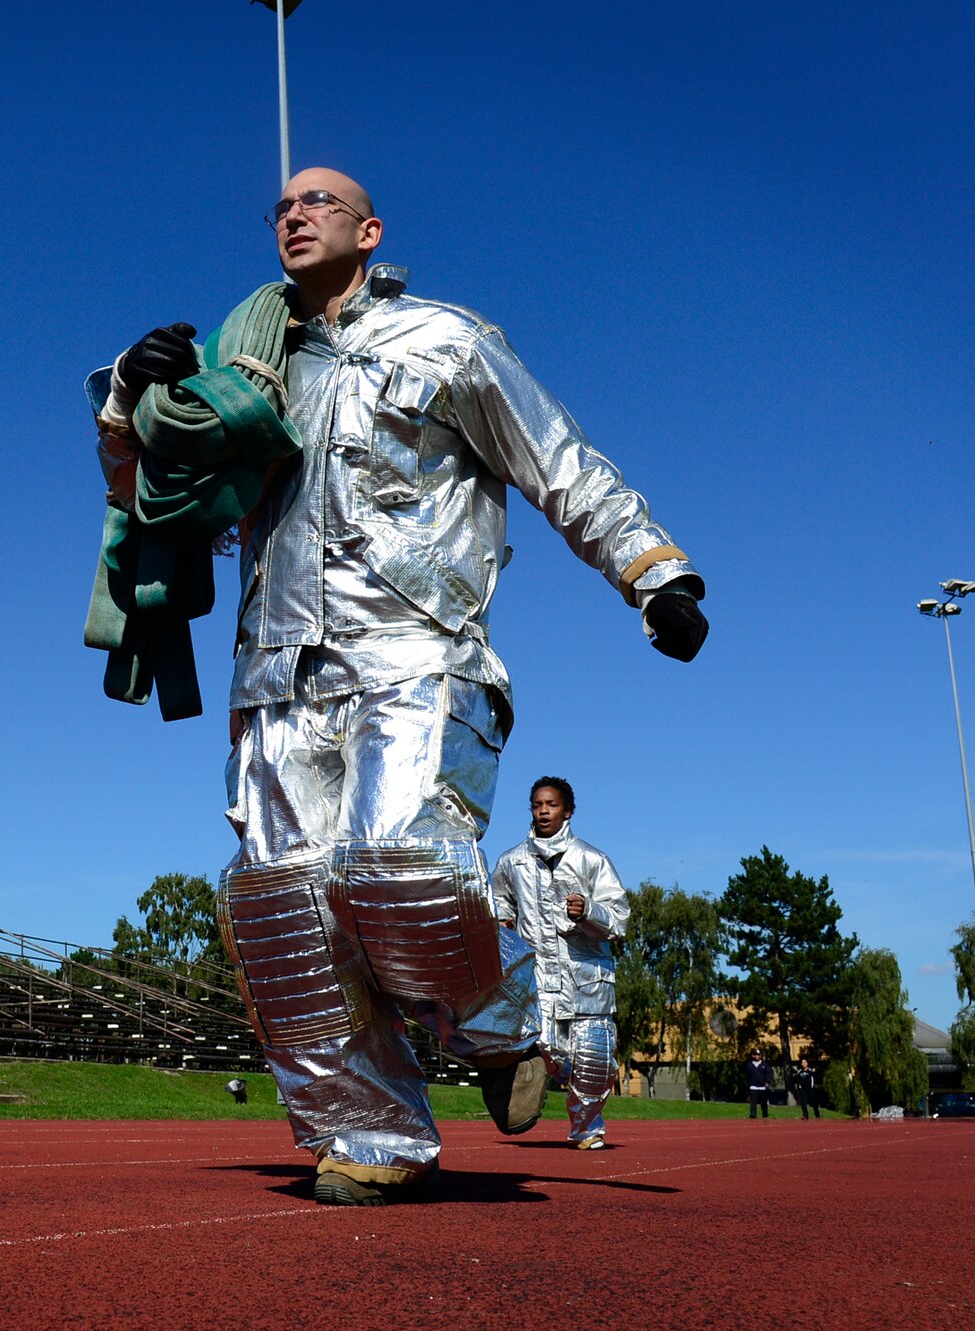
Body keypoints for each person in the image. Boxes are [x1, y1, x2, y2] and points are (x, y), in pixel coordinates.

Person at [89, 169, 708, 1205]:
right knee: (287, 908)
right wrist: (127, 401)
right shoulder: (246, 372)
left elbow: (557, 462)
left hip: (416, 650)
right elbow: (151, 500)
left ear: (368, 231)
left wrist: (653, 573)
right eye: (279, 207)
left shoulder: (447, 341)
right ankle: (373, 1135)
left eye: (317, 203)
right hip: (278, 665)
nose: (291, 214)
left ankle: (506, 1025)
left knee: (394, 864)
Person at [490, 777, 629, 1149]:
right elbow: (500, 902)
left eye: (551, 804)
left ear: (567, 810)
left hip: (586, 984)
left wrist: (589, 911)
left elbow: (620, 919)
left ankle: (586, 1126)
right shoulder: (511, 862)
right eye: (537, 805)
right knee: (547, 1052)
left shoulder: (592, 860)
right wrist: (501, 922)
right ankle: (522, 1094)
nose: (543, 811)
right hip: (536, 981)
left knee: (593, 1063)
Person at [745, 1050, 773, 1119]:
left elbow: (768, 1074)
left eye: (758, 1055)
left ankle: (765, 1114)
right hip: (753, 1086)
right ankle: (753, 1114)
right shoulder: (750, 1065)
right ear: (753, 1056)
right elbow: (747, 1075)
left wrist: (767, 1082)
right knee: (753, 1102)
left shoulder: (764, 1065)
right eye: (756, 1055)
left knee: (763, 1102)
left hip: (762, 1087)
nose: (757, 1056)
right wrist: (749, 1083)